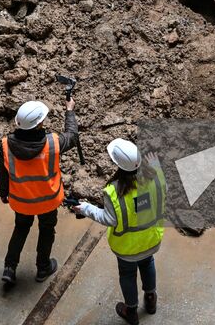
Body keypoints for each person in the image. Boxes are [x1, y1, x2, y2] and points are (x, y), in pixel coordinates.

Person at [72, 138, 165, 324]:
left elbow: (108, 219)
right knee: (148, 264)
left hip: (127, 248)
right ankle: (150, 299)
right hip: (150, 240)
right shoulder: (154, 178)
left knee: (127, 276)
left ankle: (131, 311)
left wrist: (86, 209)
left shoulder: (114, 192)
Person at [0, 97, 78, 288]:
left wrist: (2, 193)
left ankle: (9, 268)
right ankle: (43, 267)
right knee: (47, 230)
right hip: (48, 201)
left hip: (21, 201)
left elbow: (2, 173)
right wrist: (69, 111)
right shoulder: (53, 143)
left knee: (21, 228)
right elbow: (73, 136)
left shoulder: (6, 145)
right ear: (40, 123)